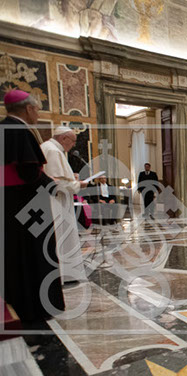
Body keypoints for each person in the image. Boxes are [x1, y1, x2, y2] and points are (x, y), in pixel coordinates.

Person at [1, 89, 65, 328]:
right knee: (34, 253)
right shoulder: (20, 131)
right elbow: (30, 172)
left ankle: (15, 301)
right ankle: (38, 306)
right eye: (37, 109)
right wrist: (52, 185)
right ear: (28, 109)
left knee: (12, 253)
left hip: (6, 203)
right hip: (27, 203)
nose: (37, 113)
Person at [41, 126, 88, 284]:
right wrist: (78, 184)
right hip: (57, 203)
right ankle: (64, 274)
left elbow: (56, 177)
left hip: (52, 201)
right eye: (73, 141)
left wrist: (71, 177)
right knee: (62, 236)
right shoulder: (53, 151)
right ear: (63, 138)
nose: (73, 145)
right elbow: (59, 184)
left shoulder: (47, 147)